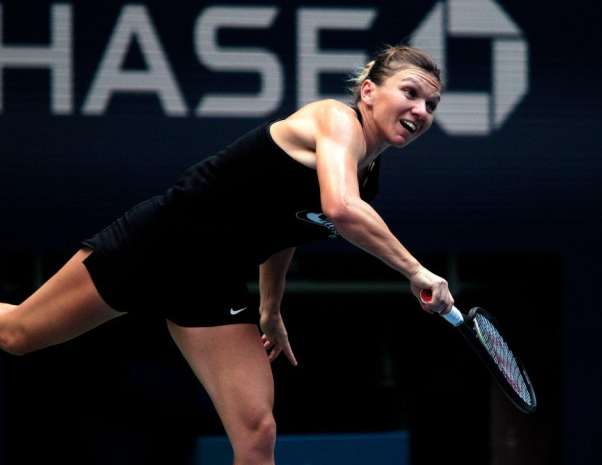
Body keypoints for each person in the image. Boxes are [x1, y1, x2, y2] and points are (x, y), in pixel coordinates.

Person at [0, 45, 454, 465]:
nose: (420, 110)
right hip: (158, 245)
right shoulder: (336, 121)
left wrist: (270, 308)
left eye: (431, 105)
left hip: (211, 283)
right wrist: (416, 271)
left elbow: (287, 226)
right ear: (370, 91)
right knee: (17, 334)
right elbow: (340, 209)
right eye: (410, 93)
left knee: (257, 433)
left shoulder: (368, 173)